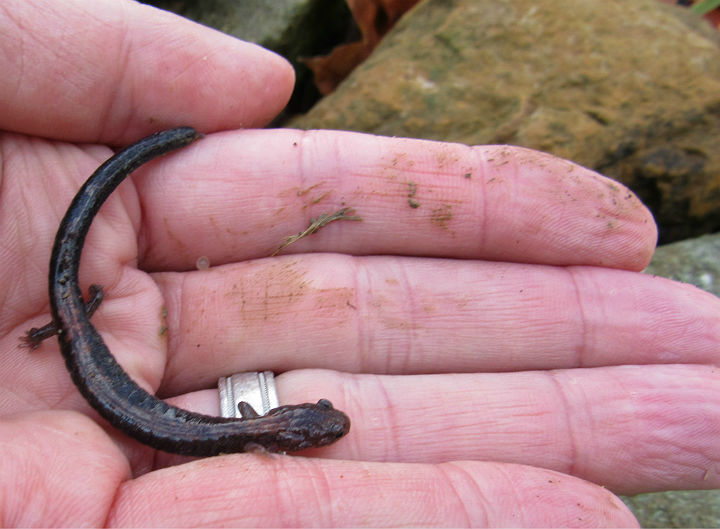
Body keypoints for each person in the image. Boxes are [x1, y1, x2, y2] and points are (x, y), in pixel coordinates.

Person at [1, 1, 717, 526]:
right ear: (282, 431)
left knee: (72, 297)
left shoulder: (244, 435)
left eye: (315, 422)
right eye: (318, 428)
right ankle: (63, 318)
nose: (324, 428)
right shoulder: (245, 439)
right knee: (70, 300)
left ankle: (67, 316)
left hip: (79, 326)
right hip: (73, 326)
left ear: (286, 419)